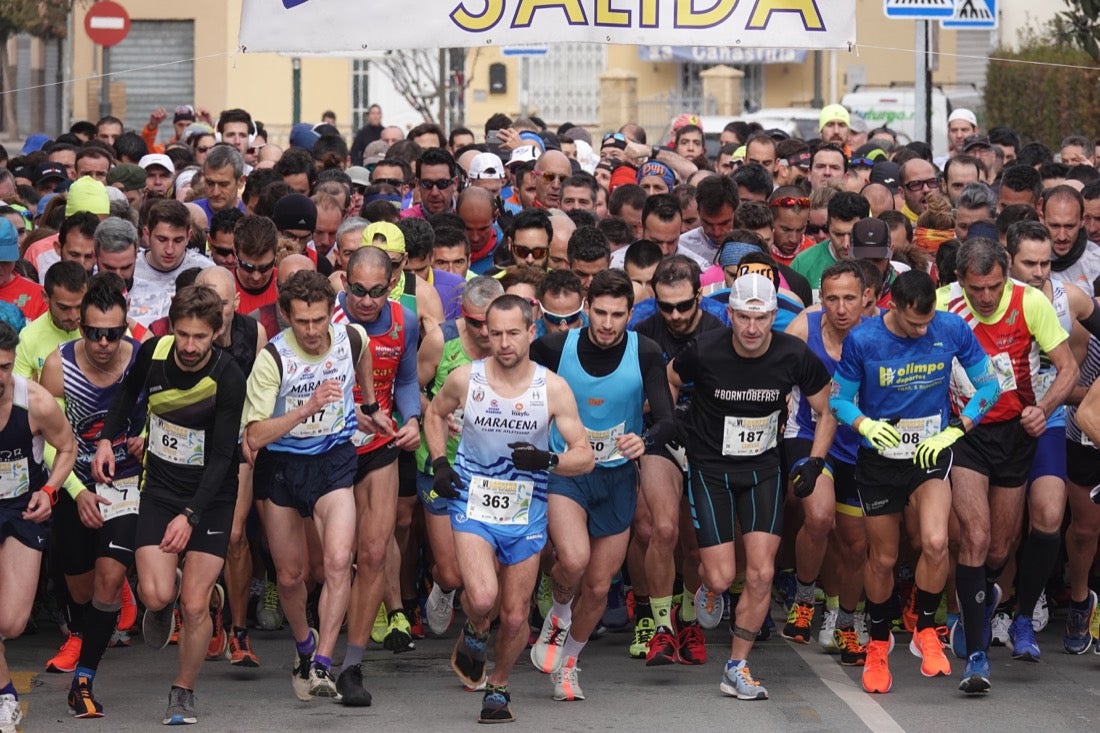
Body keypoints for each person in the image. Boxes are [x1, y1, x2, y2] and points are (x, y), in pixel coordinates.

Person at [424, 295, 594, 723]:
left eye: (513, 333)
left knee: (516, 615)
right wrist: (440, 462)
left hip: (526, 508)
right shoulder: (467, 379)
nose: (503, 342)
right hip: (473, 500)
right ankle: (477, 626)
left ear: (531, 332)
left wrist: (549, 461)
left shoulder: (552, 388)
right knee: (482, 597)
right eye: (495, 332)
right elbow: (434, 414)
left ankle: (498, 686)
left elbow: (584, 455)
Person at [831, 269, 1000, 694]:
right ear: (893, 308)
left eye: (928, 322)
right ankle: (878, 642)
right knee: (884, 559)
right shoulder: (864, 340)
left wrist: (958, 428)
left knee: (938, 542)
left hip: (930, 452)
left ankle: (926, 628)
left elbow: (990, 386)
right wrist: (864, 424)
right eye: (913, 324)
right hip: (880, 459)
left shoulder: (951, 327)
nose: (922, 330)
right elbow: (838, 400)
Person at [669, 273, 835, 701]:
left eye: (760, 319)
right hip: (711, 469)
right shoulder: (705, 349)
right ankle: (709, 585)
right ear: (730, 314)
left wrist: (815, 461)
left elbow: (826, 409)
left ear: (774, 317)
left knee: (761, 572)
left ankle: (737, 666)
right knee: (723, 578)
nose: (751, 328)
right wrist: (673, 423)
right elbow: (669, 378)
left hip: (763, 469)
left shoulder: (793, 353)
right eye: (743, 317)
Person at [91, 285, 246, 726]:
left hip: (211, 498)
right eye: (183, 335)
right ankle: (169, 596)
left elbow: (222, 458)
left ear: (216, 333)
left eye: (200, 337)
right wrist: (108, 439)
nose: (190, 346)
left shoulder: (227, 376)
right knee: (156, 593)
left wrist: (191, 515)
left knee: (194, 606)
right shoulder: (154, 351)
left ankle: (183, 691)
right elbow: (126, 396)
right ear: (171, 330)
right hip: (159, 487)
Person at [242, 269, 390, 703]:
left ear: (331, 313)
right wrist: (306, 408)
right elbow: (253, 437)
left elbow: (363, 353)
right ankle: (304, 645)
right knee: (291, 577)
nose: (311, 330)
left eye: (319, 320)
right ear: (286, 315)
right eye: (302, 321)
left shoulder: (350, 337)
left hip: (333, 462)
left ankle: (323, 663)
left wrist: (368, 403)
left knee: (340, 561)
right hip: (283, 468)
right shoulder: (272, 359)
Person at [937, 238, 1077, 694]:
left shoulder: (1029, 301)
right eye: (976, 288)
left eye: (994, 287)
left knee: (999, 548)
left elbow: (1068, 368)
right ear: (961, 280)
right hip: (967, 434)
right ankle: (977, 656)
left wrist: (1044, 407)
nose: (985, 298)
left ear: (1005, 278)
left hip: (1017, 432)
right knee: (974, 538)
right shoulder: (943, 303)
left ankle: (985, 594)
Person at [528, 270, 676, 700]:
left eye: (617, 315)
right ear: (586, 309)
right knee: (572, 561)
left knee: (596, 585)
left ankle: (569, 664)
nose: (608, 324)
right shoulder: (554, 348)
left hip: (616, 477)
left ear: (631, 314)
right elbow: (524, 396)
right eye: (600, 313)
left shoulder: (646, 351)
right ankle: (557, 615)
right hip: (569, 472)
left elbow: (667, 418)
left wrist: (642, 440)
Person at [39, 273, 145, 717]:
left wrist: (143, 436)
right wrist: (77, 490)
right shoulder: (58, 365)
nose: (104, 343)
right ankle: (84, 629)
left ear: (125, 329)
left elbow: (160, 409)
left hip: (125, 481)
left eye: (113, 334)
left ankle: (84, 680)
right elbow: (45, 439)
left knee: (107, 579)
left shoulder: (142, 357)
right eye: (94, 333)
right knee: (80, 587)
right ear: (79, 329)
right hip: (73, 480)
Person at [631, 255, 725, 665]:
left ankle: (687, 617)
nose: (674, 314)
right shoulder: (641, 333)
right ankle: (660, 625)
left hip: (708, 442)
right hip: (660, 439)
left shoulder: (719, 331)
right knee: (661, 529)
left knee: (694, 543)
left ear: (699, 296)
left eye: (683, 305)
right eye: (665, 305)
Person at [414, 276, 505, 637]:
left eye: (492, 323)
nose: (485, 332)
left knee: (487, 575)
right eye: (475, 322)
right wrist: (436, 410)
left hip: (493, 471)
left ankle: (475, 633)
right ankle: (441, 587)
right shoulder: (442, 339)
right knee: (453, 572)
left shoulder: (513, 343)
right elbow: (412, 388)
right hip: (442, 463)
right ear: (463, 315)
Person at [0, 320, 77, 733]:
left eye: (5, 366)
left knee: (11, 622)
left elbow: (67, 447)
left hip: (20, 510)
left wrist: (49, 491)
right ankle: (5, 696)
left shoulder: (37, 402)